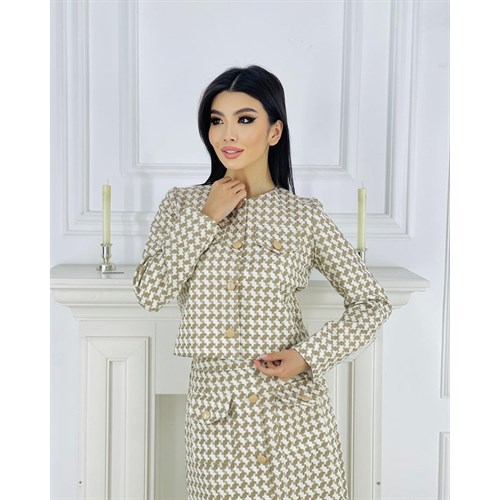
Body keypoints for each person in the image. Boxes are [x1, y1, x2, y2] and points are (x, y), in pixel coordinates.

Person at [133, 64, 392, 499]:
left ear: (274, 131)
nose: (227, 134)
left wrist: (307, 356)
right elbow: (149, 293)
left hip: (295, 416)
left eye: (245, 119)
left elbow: (372, 303)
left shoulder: (303, 216)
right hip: (218, 419)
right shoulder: (182, 205)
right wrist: (206, 218)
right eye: (217, 121)